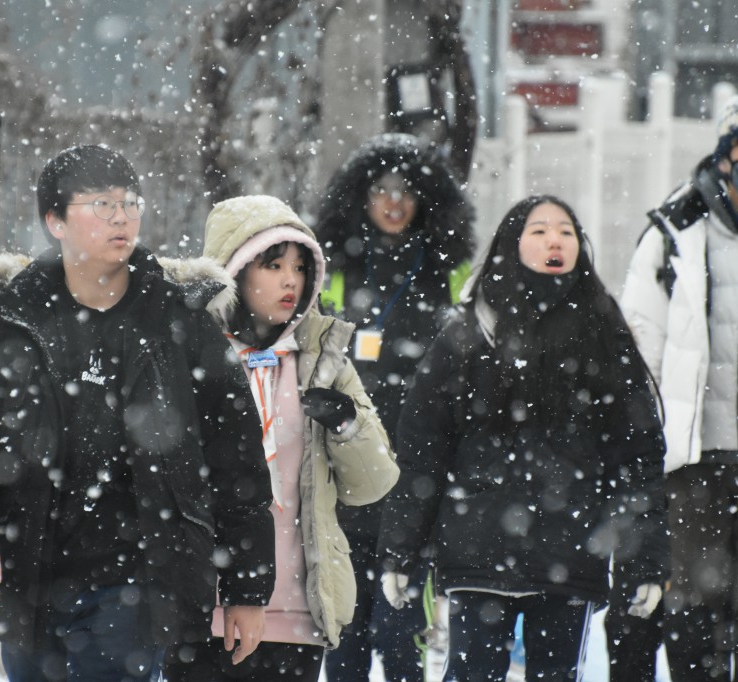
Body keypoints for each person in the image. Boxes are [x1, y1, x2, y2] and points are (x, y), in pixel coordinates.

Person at [0, 144, 276, 682]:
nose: (122, 217)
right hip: (30, 573)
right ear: (55, 221)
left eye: (130, 202)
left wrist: (247, 589)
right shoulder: (17, 318)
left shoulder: (178, 317)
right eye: (101, 204)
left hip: (140, 576)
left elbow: (237, 461)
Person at [378, 194, 668, 680]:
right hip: (477, 555)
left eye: (566, 231)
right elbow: (423, 450)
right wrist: (401, 549)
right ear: (510, 245)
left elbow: (637, 457)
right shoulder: (468, 331)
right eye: (538, 230)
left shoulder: (603, 330)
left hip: (571, 553)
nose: (554, 239)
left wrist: (643, 560)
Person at [159, 194, 398, 681]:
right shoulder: (187, 356)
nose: (291, 279)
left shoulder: (324, 360)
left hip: (295, 609)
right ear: (235, 270)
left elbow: (373, 484)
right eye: (272, 264)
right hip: (203, 605)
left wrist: (347, 425)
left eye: (300, 266)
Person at [316, 132, 475, 681]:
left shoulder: (449, 275)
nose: (392, 202)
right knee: (345, 639)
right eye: (380, 189)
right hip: (345, 472)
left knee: (403, 637)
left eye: (406, 191)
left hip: (418, 476)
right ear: (358, 197)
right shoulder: (332, 271)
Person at [617, 95, 738, 680]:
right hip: (697, 459)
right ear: (726, 154)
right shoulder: (675, 231)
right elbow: (642, 348)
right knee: (694, 605)